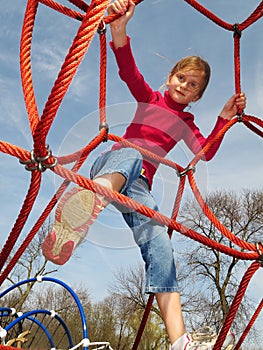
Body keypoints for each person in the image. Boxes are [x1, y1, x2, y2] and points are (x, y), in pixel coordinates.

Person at [42, 0, 246, 348]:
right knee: (134, 154)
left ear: (197, 95)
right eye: (181, 78)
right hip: (113, 166)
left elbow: (205, 152)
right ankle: (90, 197)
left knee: (162, 245)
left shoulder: (186, 123)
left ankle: (180, 341)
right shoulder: (150, 98)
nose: (184, 86)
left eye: (193, 85)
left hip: (138, 189)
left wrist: (224, 119)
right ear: (169, 79)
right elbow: (128, 70)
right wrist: (119, 27)